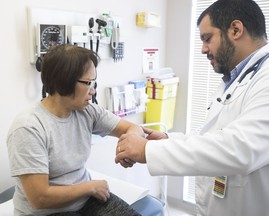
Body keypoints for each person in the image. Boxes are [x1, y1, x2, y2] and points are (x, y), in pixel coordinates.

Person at [115, 0, 269, 215]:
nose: (203, 49)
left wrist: (147, 150)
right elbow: (215, 135)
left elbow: (241, 149)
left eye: (207, 38)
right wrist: (169, 140)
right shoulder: (235, 79)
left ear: (235, 29)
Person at [7, 44, 163, 216]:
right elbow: (39, 198)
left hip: (84, 201)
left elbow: (132, 128)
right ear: (63, 81)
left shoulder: (87, 111)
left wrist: (128, 145)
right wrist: (89, 187)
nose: (93, 91)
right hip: (46, 212)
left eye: (93, 83)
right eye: (88, 83)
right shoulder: (29, 128)